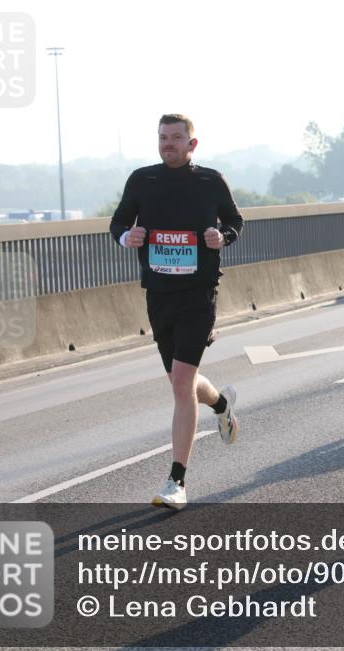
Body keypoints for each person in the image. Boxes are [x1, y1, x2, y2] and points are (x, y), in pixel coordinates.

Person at [110, 113, 243, 510]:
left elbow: (235, 220)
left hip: (198, 294)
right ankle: (221, 404)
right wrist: (127, 236)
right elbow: (118, 222)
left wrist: (223, 236)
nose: (168, 143)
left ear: (191, 144)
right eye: (163, 137)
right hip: (159, 294)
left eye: (175, 138)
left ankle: (177, 482)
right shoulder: (142, 180)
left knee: (182, 383)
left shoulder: (210, 181)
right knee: (181, 382)